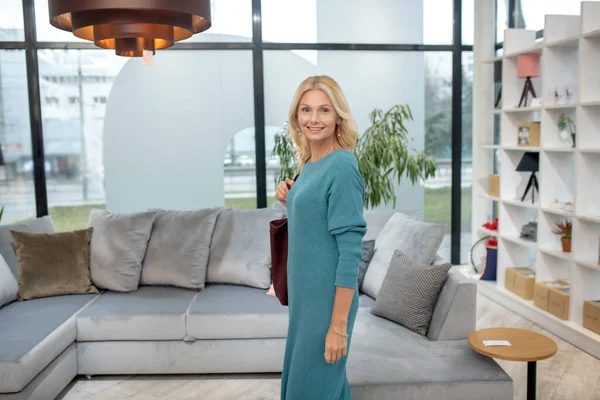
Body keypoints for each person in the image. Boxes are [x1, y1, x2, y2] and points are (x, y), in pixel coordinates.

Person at [274, 75, 367, 400]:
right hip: (305, 302)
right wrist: (291, 196)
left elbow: (349, 252)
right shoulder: (311, 164)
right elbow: (314, 228)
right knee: (325, 389)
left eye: (324, 110)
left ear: (338, 116)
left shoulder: (342, 166)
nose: (314, 119)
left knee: (310, 389)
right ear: (296, 117)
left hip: (326, 306)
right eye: (306, 109)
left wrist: (337, 326)